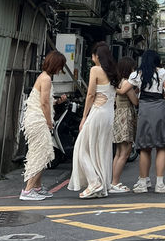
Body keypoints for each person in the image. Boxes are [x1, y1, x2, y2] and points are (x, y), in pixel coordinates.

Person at [68, 42, 119, 199]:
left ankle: (93, 181)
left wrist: (84, 117)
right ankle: (101, 187)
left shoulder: (95, 70)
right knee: (101, 150)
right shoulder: (113, 71)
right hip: (109, 114)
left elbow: (90, 94)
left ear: (97, 56)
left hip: (97, 112)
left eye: (93, 55)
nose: (92, 58)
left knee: (81, 148)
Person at [20, 50, 67, 201]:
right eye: (61, 65)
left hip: (34, 119)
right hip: (38, 121)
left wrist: (57, 102)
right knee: (41, 154)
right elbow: (44, 103)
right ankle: (28, 191)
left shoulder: (43, 77)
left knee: (42, 153)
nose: (61, 69)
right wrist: (49, 122)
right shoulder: (46, 79)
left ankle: (37, 187)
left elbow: (45, 101)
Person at [129, 49, 165, 193]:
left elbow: (126, 88)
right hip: (159, 108)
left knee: (144, 148)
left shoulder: (137, 74)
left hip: (145, 109)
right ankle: (159, 184)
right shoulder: (162, 72)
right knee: (161, 146)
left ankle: (142, 183)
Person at [109, 56, 139, 193]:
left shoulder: (118, 81)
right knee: (125, 152)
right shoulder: (127, 83)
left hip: (118, 115)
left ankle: (113, 182)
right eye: (133, 68)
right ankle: (115, 183)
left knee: (118, 152)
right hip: (126, 116)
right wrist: (136, 92)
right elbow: (135, 102)